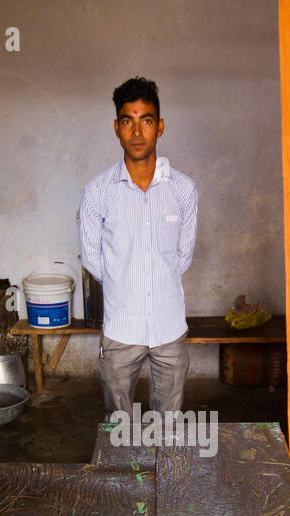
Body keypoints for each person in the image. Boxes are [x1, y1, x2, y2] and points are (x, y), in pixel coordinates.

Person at [78, 77, 198, 418]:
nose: (137, 132)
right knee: (119, 430)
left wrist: (153, 278)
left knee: (169, 428)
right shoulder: (99, 191)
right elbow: (92, 257)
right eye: (128, 121)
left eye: (146, 120)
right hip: (121, 330)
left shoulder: (183, 190)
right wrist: (125, 281)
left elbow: (183, 257)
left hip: (169, 329)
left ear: (159, 127)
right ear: (116, 128)